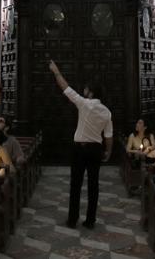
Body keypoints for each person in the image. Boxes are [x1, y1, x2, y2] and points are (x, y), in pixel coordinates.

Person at [49, 59, 112, 229]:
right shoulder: (106, 111)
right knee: (93, 185)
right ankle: (90, 220)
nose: (83, 91)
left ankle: (72, 220)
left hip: (79, 149)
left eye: (85, 89)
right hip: (96, 150)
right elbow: (108, 135)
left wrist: (56, 71)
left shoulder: (84, 104)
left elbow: (65, 88)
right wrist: (108, 152)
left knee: (75, 185)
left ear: (90, 93)